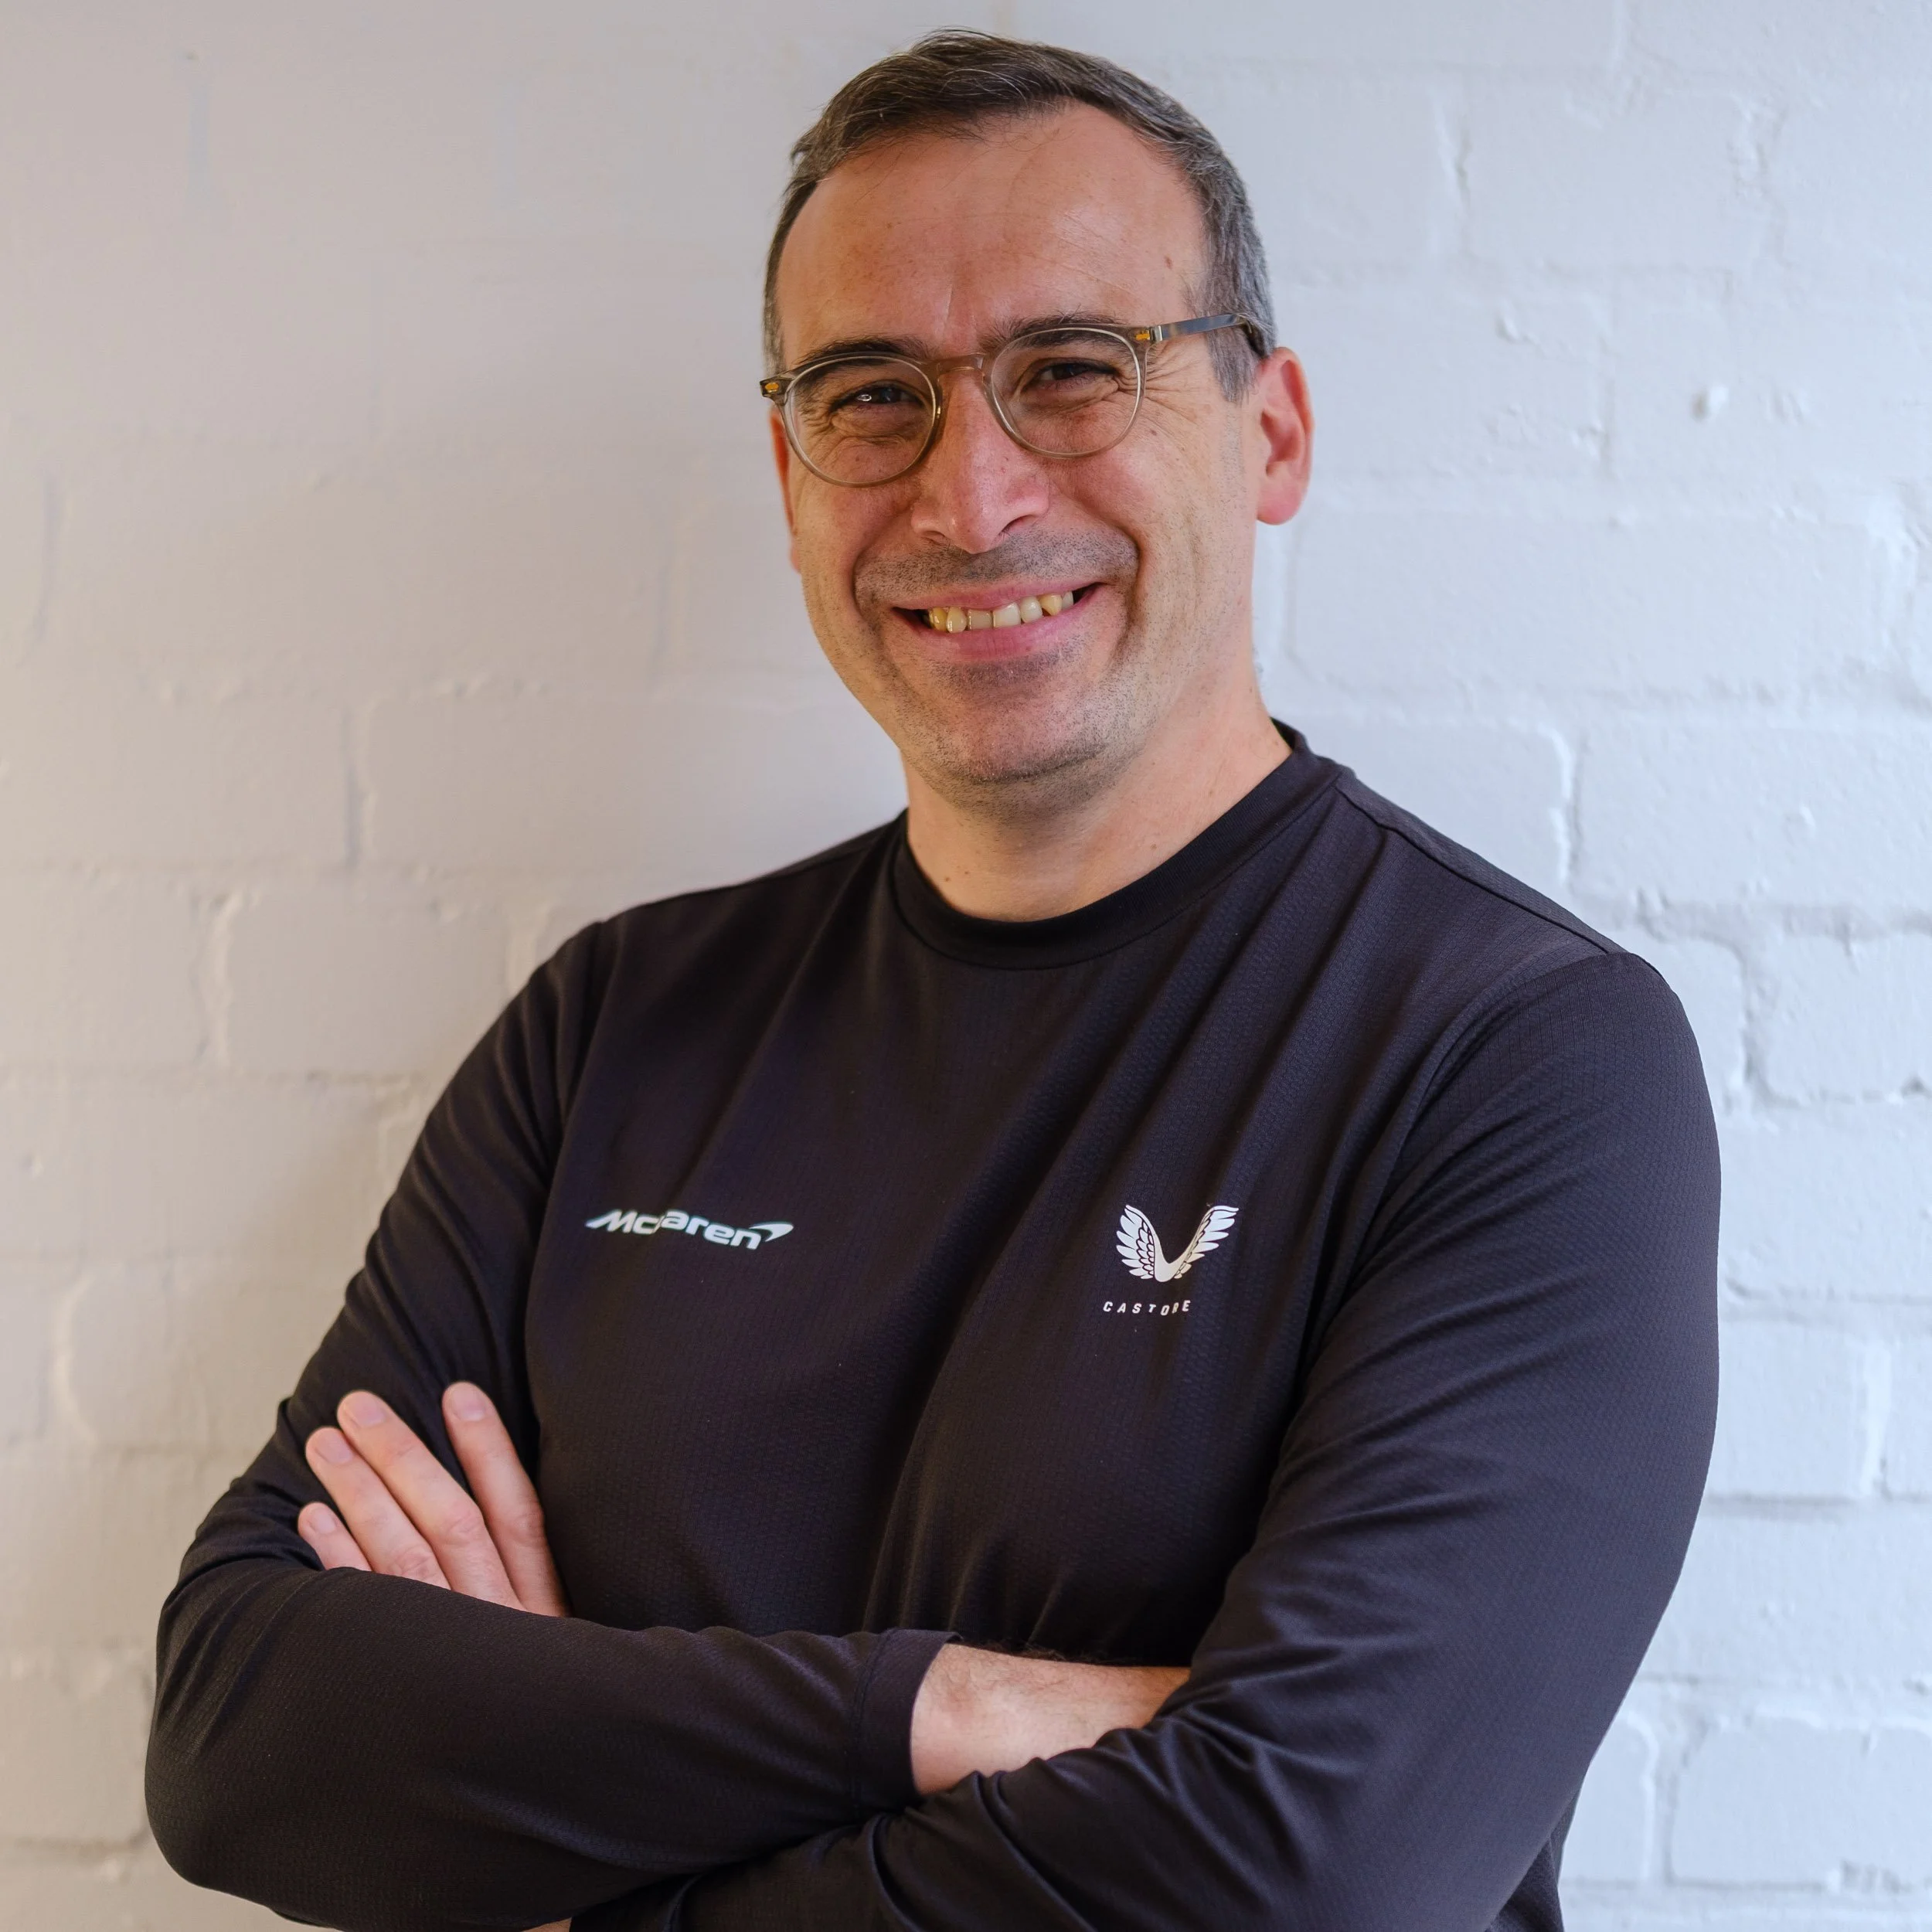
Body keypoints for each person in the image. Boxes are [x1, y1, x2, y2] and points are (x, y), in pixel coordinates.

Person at [146, 32, 1719, 1932]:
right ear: (789, 462)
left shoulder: (1511, 1056)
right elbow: (243, 1731)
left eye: (1070, 370)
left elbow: (1323, 1871)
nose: (967, 498)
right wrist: (948, 1709)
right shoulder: (615, 1029)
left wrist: (569, 1829)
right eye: (868, 394)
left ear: (1270, 429)